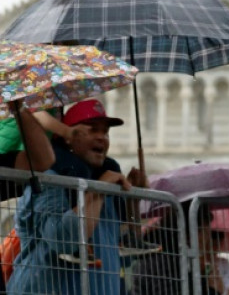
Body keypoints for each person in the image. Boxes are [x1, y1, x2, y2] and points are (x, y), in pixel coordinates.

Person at [8, 99, 147, 295]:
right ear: (68, 137)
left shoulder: (106, 182)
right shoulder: (50, 181)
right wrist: (97, 192)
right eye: (92, 130)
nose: (102, 138)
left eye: (105, 132)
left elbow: (122, 251)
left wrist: (134, 200)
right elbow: (63, 240)